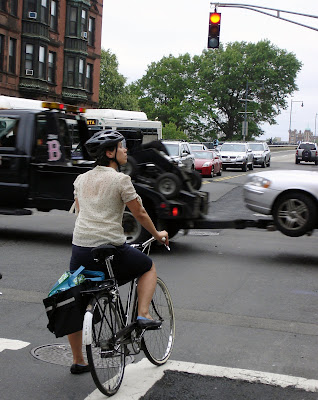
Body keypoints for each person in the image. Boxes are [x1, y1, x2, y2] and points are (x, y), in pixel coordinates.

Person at [68, 130, 169, 374]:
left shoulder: (80, 180)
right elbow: (140, 213)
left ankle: (79, 361)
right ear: (110, 152)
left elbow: (80, 213)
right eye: (121, 147)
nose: (125, 150)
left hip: (80, 250)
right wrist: (157, 235)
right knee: (147, 266)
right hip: (110, 249)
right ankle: (143, 314)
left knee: (74, 302)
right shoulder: (121, 180)